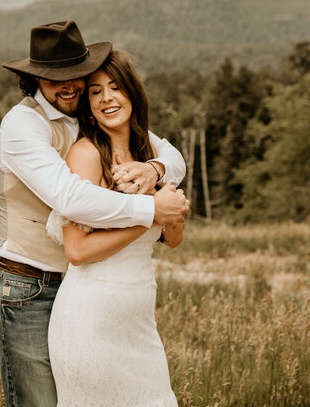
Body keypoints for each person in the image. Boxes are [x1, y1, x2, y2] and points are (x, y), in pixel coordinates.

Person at [0, 20, 189, 407]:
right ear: (34, 80)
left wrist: (155, 170)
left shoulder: (92, 117)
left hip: (87, 287)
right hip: (29, 284)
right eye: (54, 78)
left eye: (76, 76)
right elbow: (70, 198)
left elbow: (171, 154)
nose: (69, 85)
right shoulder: (23, 125)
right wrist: (152, 211)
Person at [47, 48, 181, 406]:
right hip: (90, 320)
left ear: (132, 92)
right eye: (95, 91)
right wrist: (151, 212)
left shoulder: (151, 151)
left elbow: (173, 238)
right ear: (87, 103)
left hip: (139, 321)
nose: (107, 98)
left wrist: (168, 212)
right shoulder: (85, 155)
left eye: (116, 87)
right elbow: (76, 252)